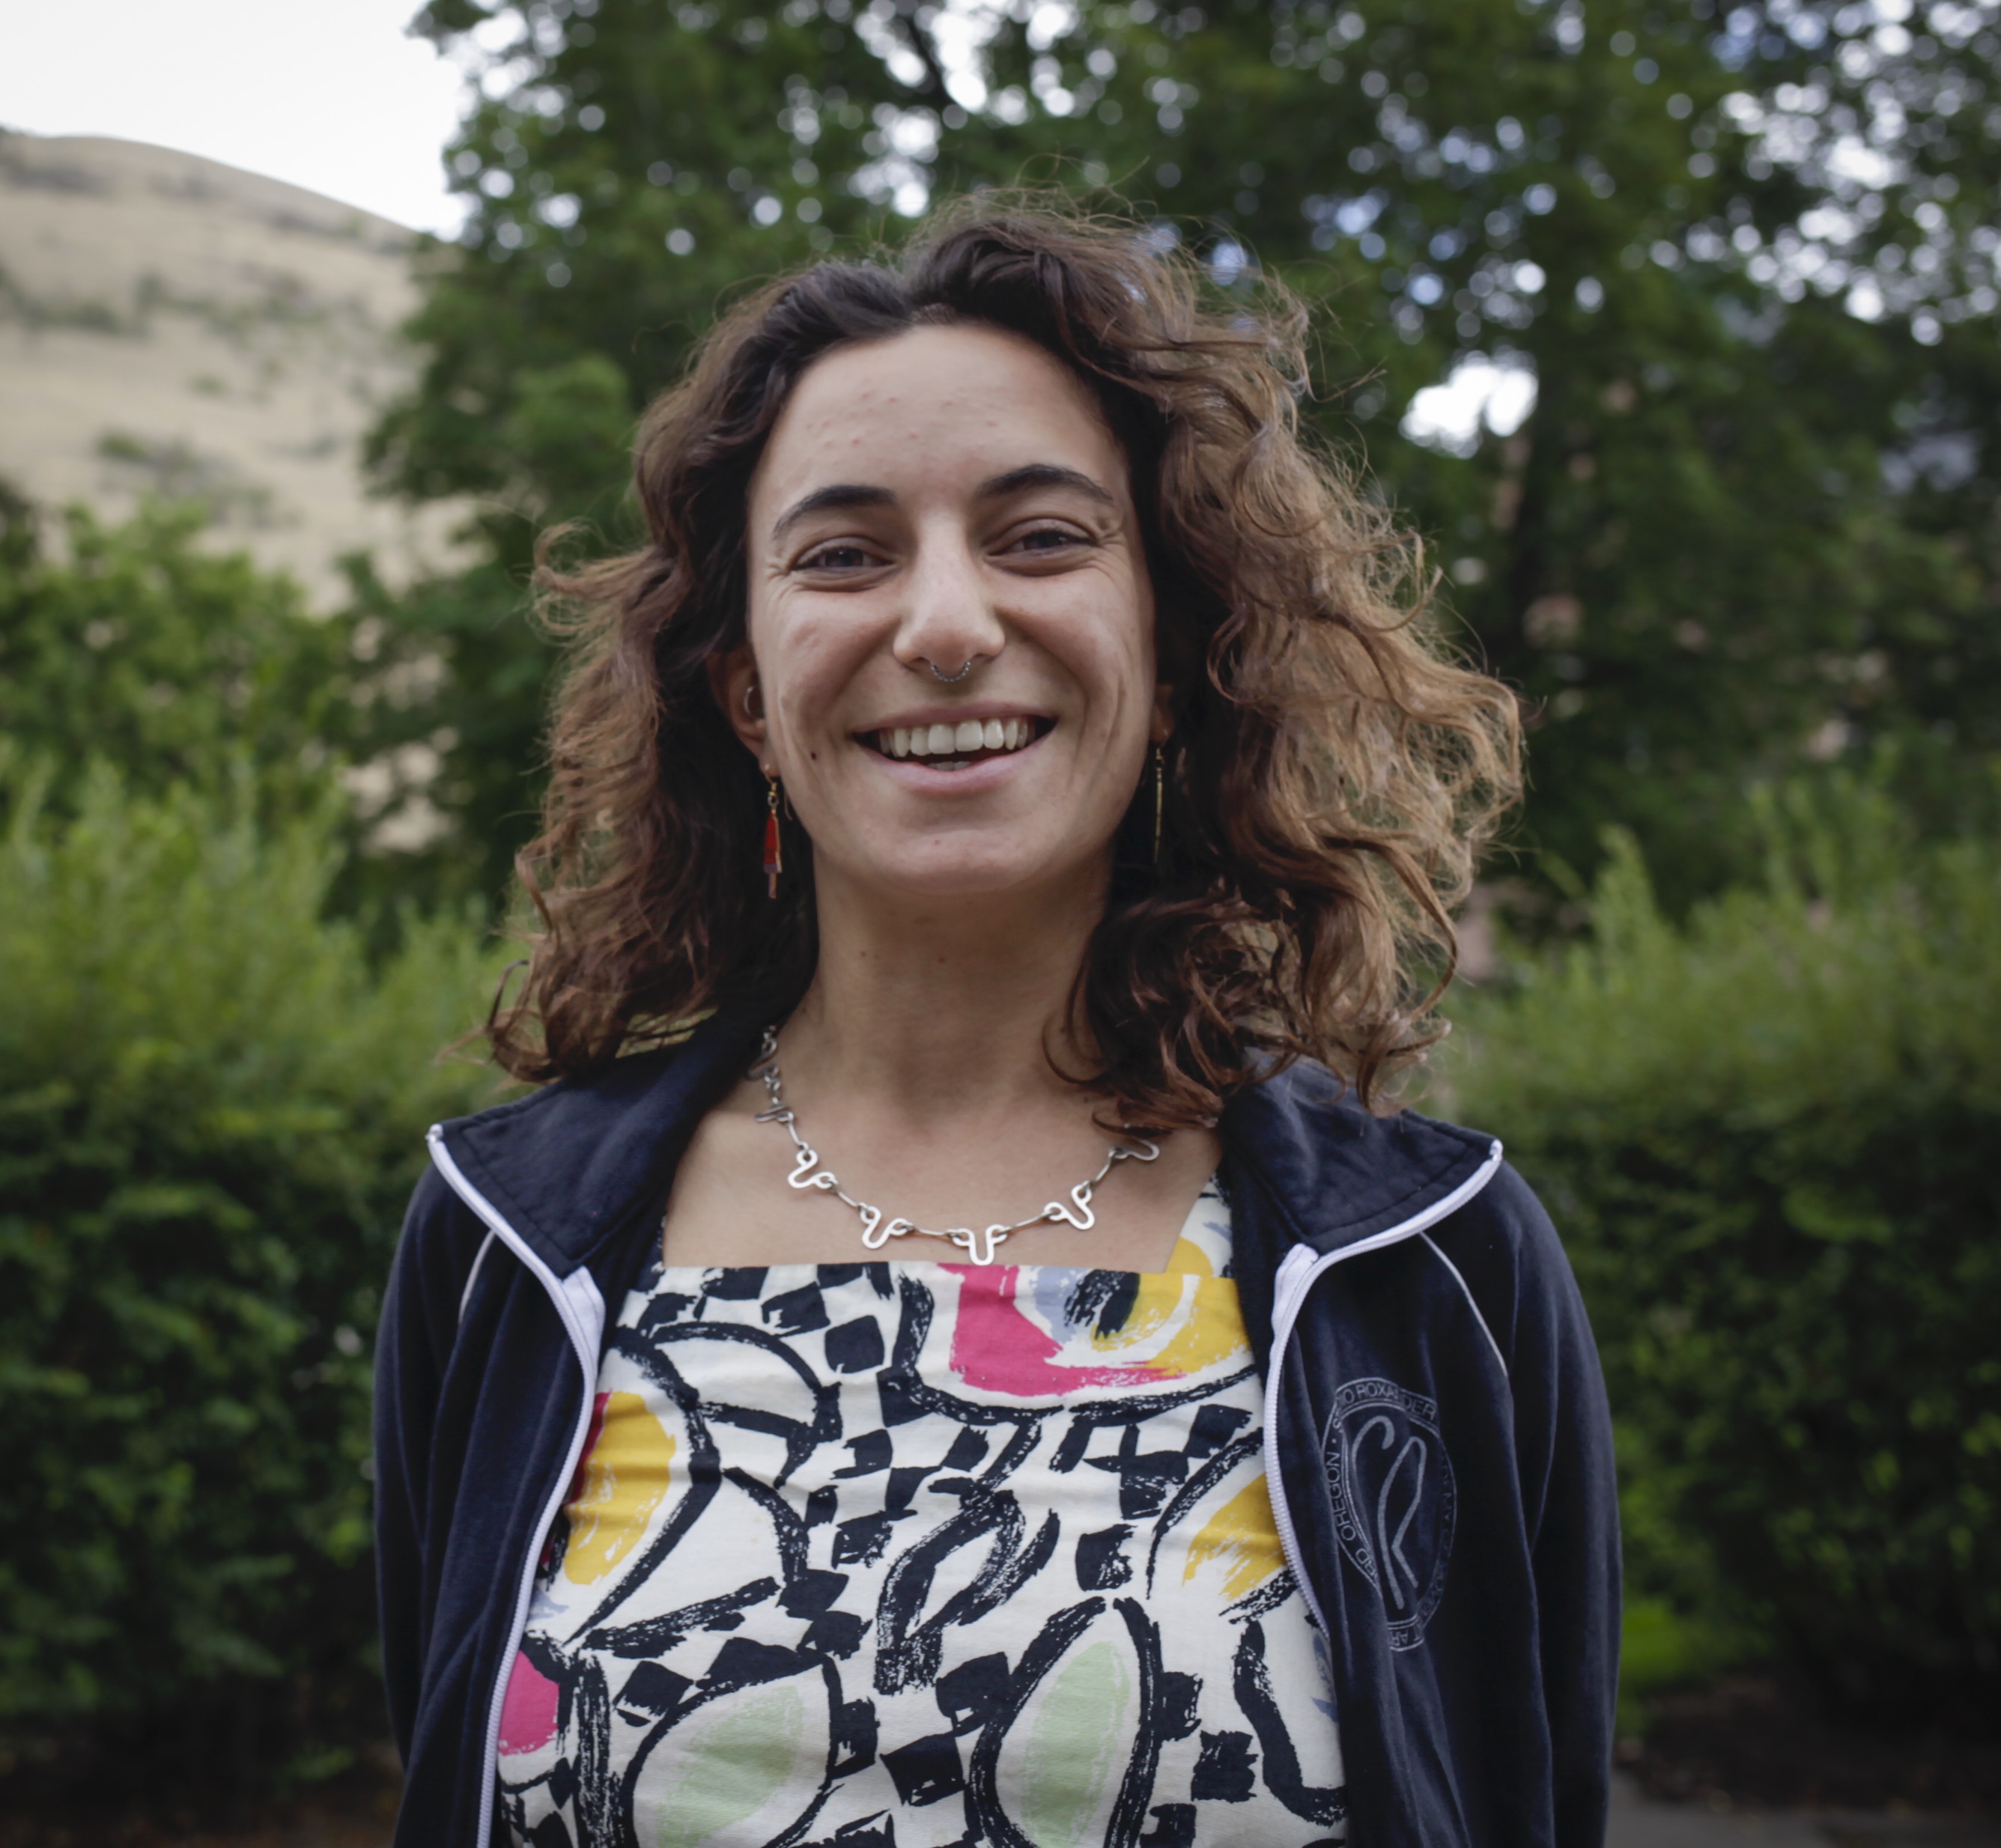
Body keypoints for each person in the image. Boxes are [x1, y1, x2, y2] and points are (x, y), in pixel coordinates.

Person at [374, 200, 1619, 1848]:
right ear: (747, 690)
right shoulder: (502, 1250)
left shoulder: (1436, 1262)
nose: (947, 623)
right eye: (843, 553)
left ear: (1171, 657)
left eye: (1040, 537)